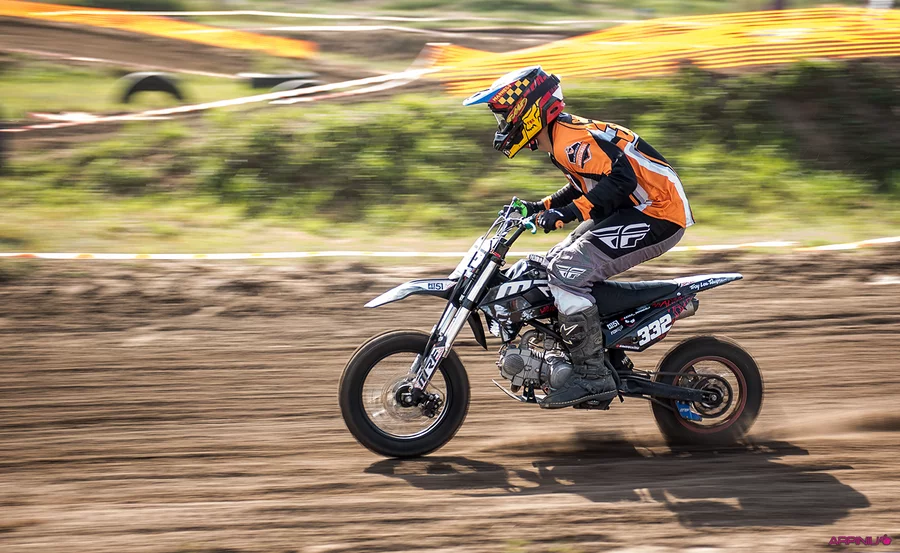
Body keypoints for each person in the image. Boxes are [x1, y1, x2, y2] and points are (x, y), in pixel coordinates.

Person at [463, 66, 693, 409]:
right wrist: (541, 206)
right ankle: (593, 352)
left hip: (657, 212)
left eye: (505, 116)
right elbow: (585, 184)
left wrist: (568, 213)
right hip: (637, 210)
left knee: (567, 271)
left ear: (528, 109)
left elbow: (622, 180)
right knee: (550, 264)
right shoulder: (561, 139)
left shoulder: (570, 141)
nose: (503, 125)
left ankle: (592, 376)